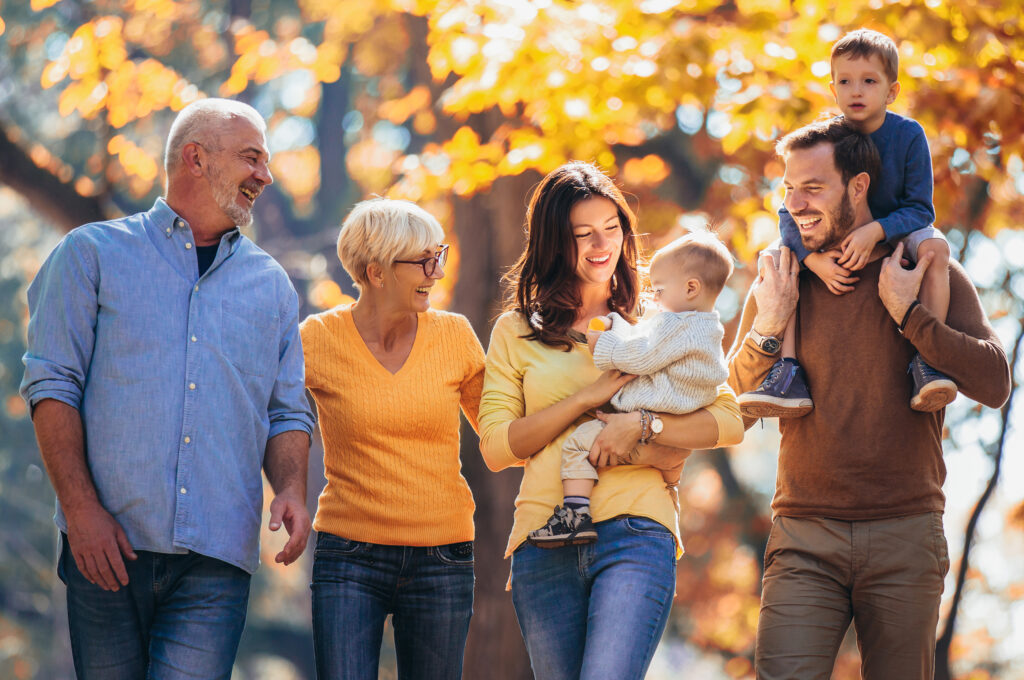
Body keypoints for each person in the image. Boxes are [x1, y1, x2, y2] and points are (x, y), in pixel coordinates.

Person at [20, 98, 315, 679]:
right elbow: (52, 384)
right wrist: (81, 513)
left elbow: (287, 412)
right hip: (105, 549)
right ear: (196, 157)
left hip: (215, 561)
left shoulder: (272, 286)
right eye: (252, 158)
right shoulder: (91, 255)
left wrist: (290, 487)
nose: (267, 175)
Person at [727, 117, 1010, 679]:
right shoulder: (784, 276)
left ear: (858, 186)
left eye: (813, 187)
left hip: (906, 530)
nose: (796, 204)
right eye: (788, 189)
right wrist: (771, 322)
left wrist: (912, 316)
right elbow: (732, 388)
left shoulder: (924, 268)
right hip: (804, 533)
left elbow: (996, 382)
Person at [479, 161, 744, 679]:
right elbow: (496, 448)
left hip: (636, 530)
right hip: (543, 538)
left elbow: (729, 420)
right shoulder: (516, 331)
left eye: (611, 229)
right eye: (583, 235)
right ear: (555, 243)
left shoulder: (659, 318)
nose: (602, 245)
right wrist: (587, 398)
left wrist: (644, 426)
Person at [301, 198, 485, 680]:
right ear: (377, 272)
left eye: (439, 255)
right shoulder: (316, 338)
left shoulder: (455, 335)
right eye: (424, 261)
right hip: (349, 555)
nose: (438, 271)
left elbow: (503, 431)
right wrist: (282, 491)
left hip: (443, 557)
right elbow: (272, 417)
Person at [739, 28, 955, 418]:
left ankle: (928, 360)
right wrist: (809, 258)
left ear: (892, 91)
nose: (856, 91)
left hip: (898, 234)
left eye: (869, 81)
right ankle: (787, 372)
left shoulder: (908, 136)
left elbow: (921, 209)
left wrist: (877, 230)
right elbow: (790, 208)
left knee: (936, 248)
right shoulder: (829, 138)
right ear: (833, 89)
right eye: (845, 81)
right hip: (826, 239)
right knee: (777, 259)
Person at [528, 230, 733, 548]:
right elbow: (646, 338)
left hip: (651, 409)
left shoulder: (673, 323)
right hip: (678, 424)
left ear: (691, 288)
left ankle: (575, 514)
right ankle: (670, 496)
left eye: (660, 290)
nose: (655, 298)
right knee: (669, 472)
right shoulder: (707, 327)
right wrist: (618, 325)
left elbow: (640, 355)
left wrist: (603, 344)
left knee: (577, 446)